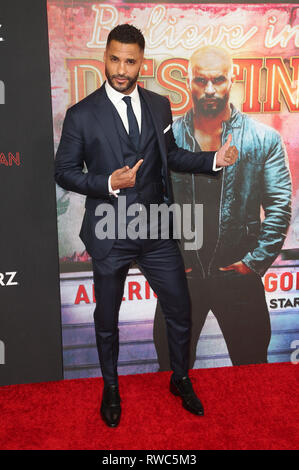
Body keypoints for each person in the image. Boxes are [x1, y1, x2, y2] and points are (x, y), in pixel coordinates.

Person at [55, 26, 238, 428]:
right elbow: (64, 172)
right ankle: (111, 387)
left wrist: (213, 161)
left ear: (142, 62)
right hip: (110, 230)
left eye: (130, 61)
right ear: (105, 57)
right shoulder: (82, 115)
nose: (121, 69)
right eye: (115, 59)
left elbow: (170, 155)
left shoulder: (158, 105)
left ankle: (180, 378)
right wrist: (107, 183)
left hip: (157, 229)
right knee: (107, 318)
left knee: (179, 308)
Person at [154, 46, 292, 372]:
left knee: (252, 373)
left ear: (233, 79)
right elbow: (150, 205)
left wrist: (253, 263)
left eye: (218, 79)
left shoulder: (263, 139)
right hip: (182, 280)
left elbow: (279, 207)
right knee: (172, 374)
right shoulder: (165, 139)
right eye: (201, 80)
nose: (210, 89)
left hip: (239, 277)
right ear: (187, 82)